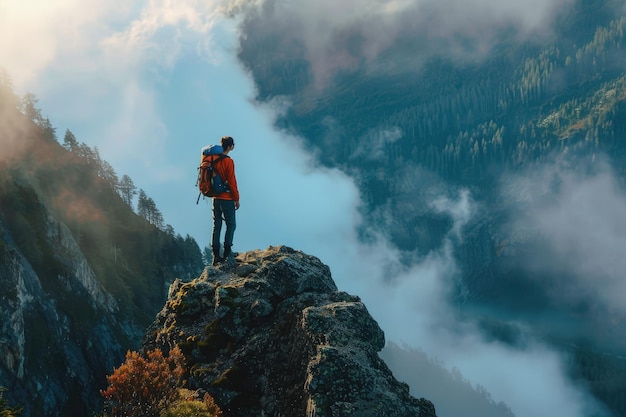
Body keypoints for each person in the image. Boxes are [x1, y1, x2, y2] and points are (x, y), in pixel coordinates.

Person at [208, 136, 240, 265]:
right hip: (227, 198)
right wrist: (236, 199)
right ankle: (227, 254)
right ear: (230, 146)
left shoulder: (213, 159)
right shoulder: (228, 161)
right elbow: (232, 181)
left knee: (217, 226)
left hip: (215, 198)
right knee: (231, 225)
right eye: (233, 145)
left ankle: (216, 256)